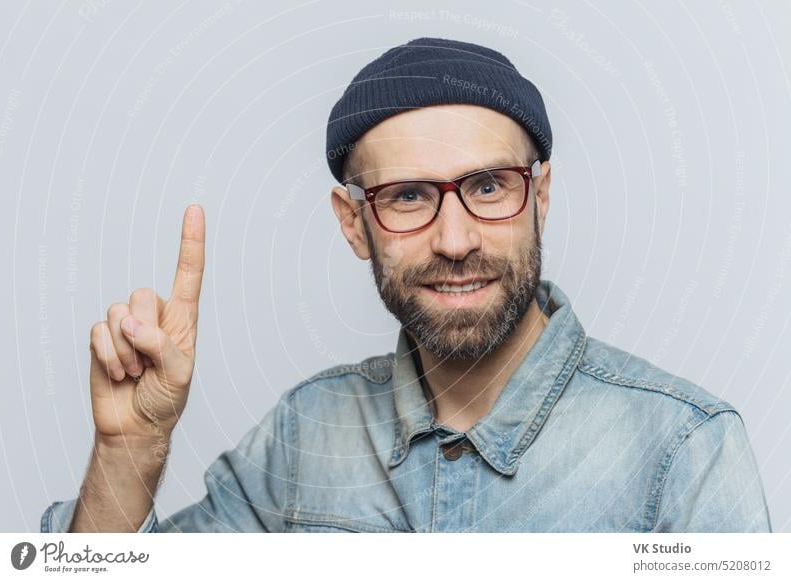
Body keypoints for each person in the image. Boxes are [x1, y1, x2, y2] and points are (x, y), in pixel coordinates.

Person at [41, 37, 771, 533]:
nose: (456, 241)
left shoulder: (683, 452)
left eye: (489, 186)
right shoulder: (304, 437)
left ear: (541, 199)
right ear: (354, 224)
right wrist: (129, 450)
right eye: (409, 197)